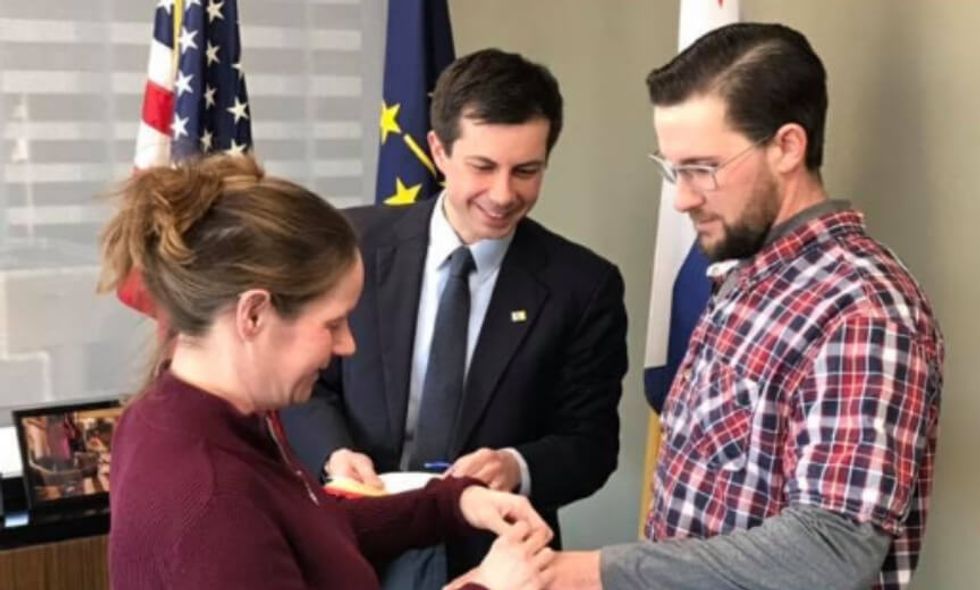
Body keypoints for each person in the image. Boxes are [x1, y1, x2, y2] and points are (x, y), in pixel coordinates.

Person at [543, 22, 944, 590]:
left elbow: (830, 549)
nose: (682, 197)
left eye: (702, 169)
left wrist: (598, 572)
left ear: (787, 146)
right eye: (672, 168)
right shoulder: (746, 271)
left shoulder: (862, 309)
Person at [99, 155, 556, 590]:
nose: (347, 345)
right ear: (253, 315)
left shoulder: (200, 415)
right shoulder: (210, 501)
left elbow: (314, 531)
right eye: (333, 323)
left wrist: (455, 502)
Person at [281, 47, 629, 586]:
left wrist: (516, 465)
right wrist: (334, 455)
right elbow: (298, 382)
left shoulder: (583, 286)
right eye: (483, 167)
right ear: (439, 152)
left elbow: (590, 444)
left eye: (527, 171)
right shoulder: (350, 245)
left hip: (494, 561)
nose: (503, 194)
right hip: (351, 537)